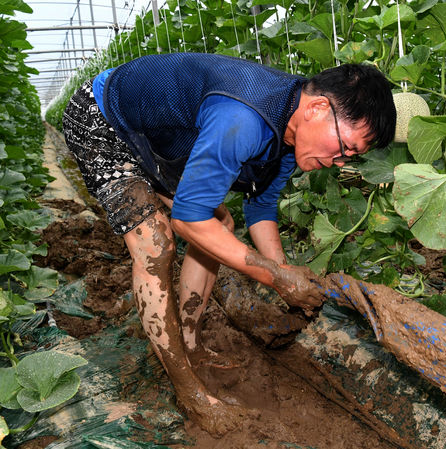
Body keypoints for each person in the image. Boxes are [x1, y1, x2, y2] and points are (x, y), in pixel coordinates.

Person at [61, 53, 396, 436]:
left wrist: (283, 271)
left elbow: (262, 206)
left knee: (220, 222)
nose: (340, 161)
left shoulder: (290, 129)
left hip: (154, 142)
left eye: (351, 157)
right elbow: (188, 220)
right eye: (346, 147)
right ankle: (189, 392)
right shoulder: (243, 117)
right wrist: (275, 278)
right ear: (319, 108)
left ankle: (189, 341)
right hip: (103, 119)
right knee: (156, 243)